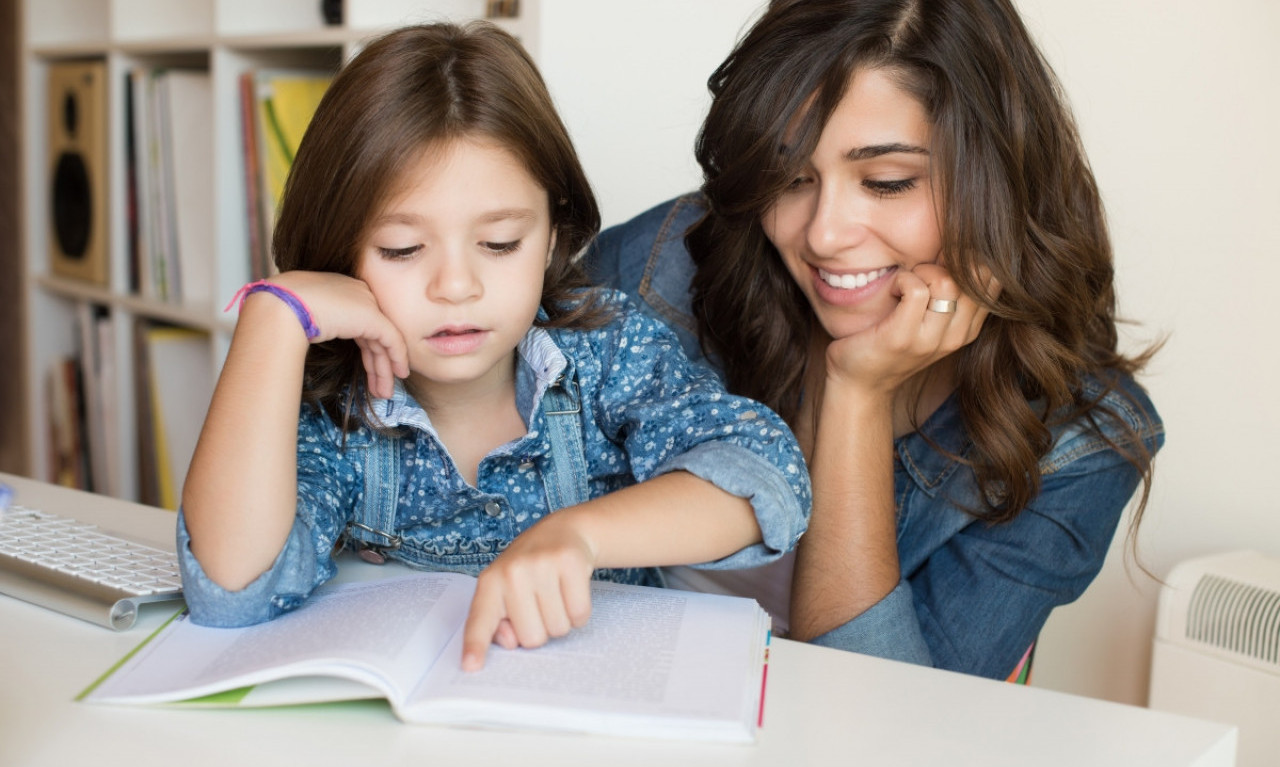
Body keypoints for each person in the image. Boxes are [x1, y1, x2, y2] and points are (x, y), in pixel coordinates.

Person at [178, 22, 809, 672]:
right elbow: (231, 589)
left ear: (554, 235)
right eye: (402, 249)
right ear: (339, 253)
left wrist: (580, 534)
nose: (457, 286)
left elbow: (768, 478)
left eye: (500, 243)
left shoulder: (602, 349)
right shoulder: (338, 412)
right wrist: (272, 316)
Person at [589, 0, 1163, 681]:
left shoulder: (1079, 444)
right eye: (792, 176)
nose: (824, 233)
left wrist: (856, 397)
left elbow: (884, 724)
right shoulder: (667, 270)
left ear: (998, 182)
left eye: (886, 182)